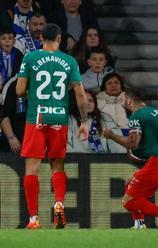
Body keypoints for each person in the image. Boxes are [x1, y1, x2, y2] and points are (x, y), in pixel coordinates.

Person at [16, 23, 89, 229]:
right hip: (59, 120)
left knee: (32, 169)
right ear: (59, 39)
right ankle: (58, 203)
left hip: (36, 119)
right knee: (57, 165)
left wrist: (31, 88)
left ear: (41, 39)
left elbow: (20, 90)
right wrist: (84, 121)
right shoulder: (69, 61)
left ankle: (33, 219)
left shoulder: (30, 58)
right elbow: (80, 94)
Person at [103, 88, 158, 229]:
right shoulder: (157, 113)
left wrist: (111, 136)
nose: (122, 104)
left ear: (129, 100)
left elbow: (133, 143)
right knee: (130, 183)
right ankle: (139, 224)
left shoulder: (137, 116)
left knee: (127, 202)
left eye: (123, 101)